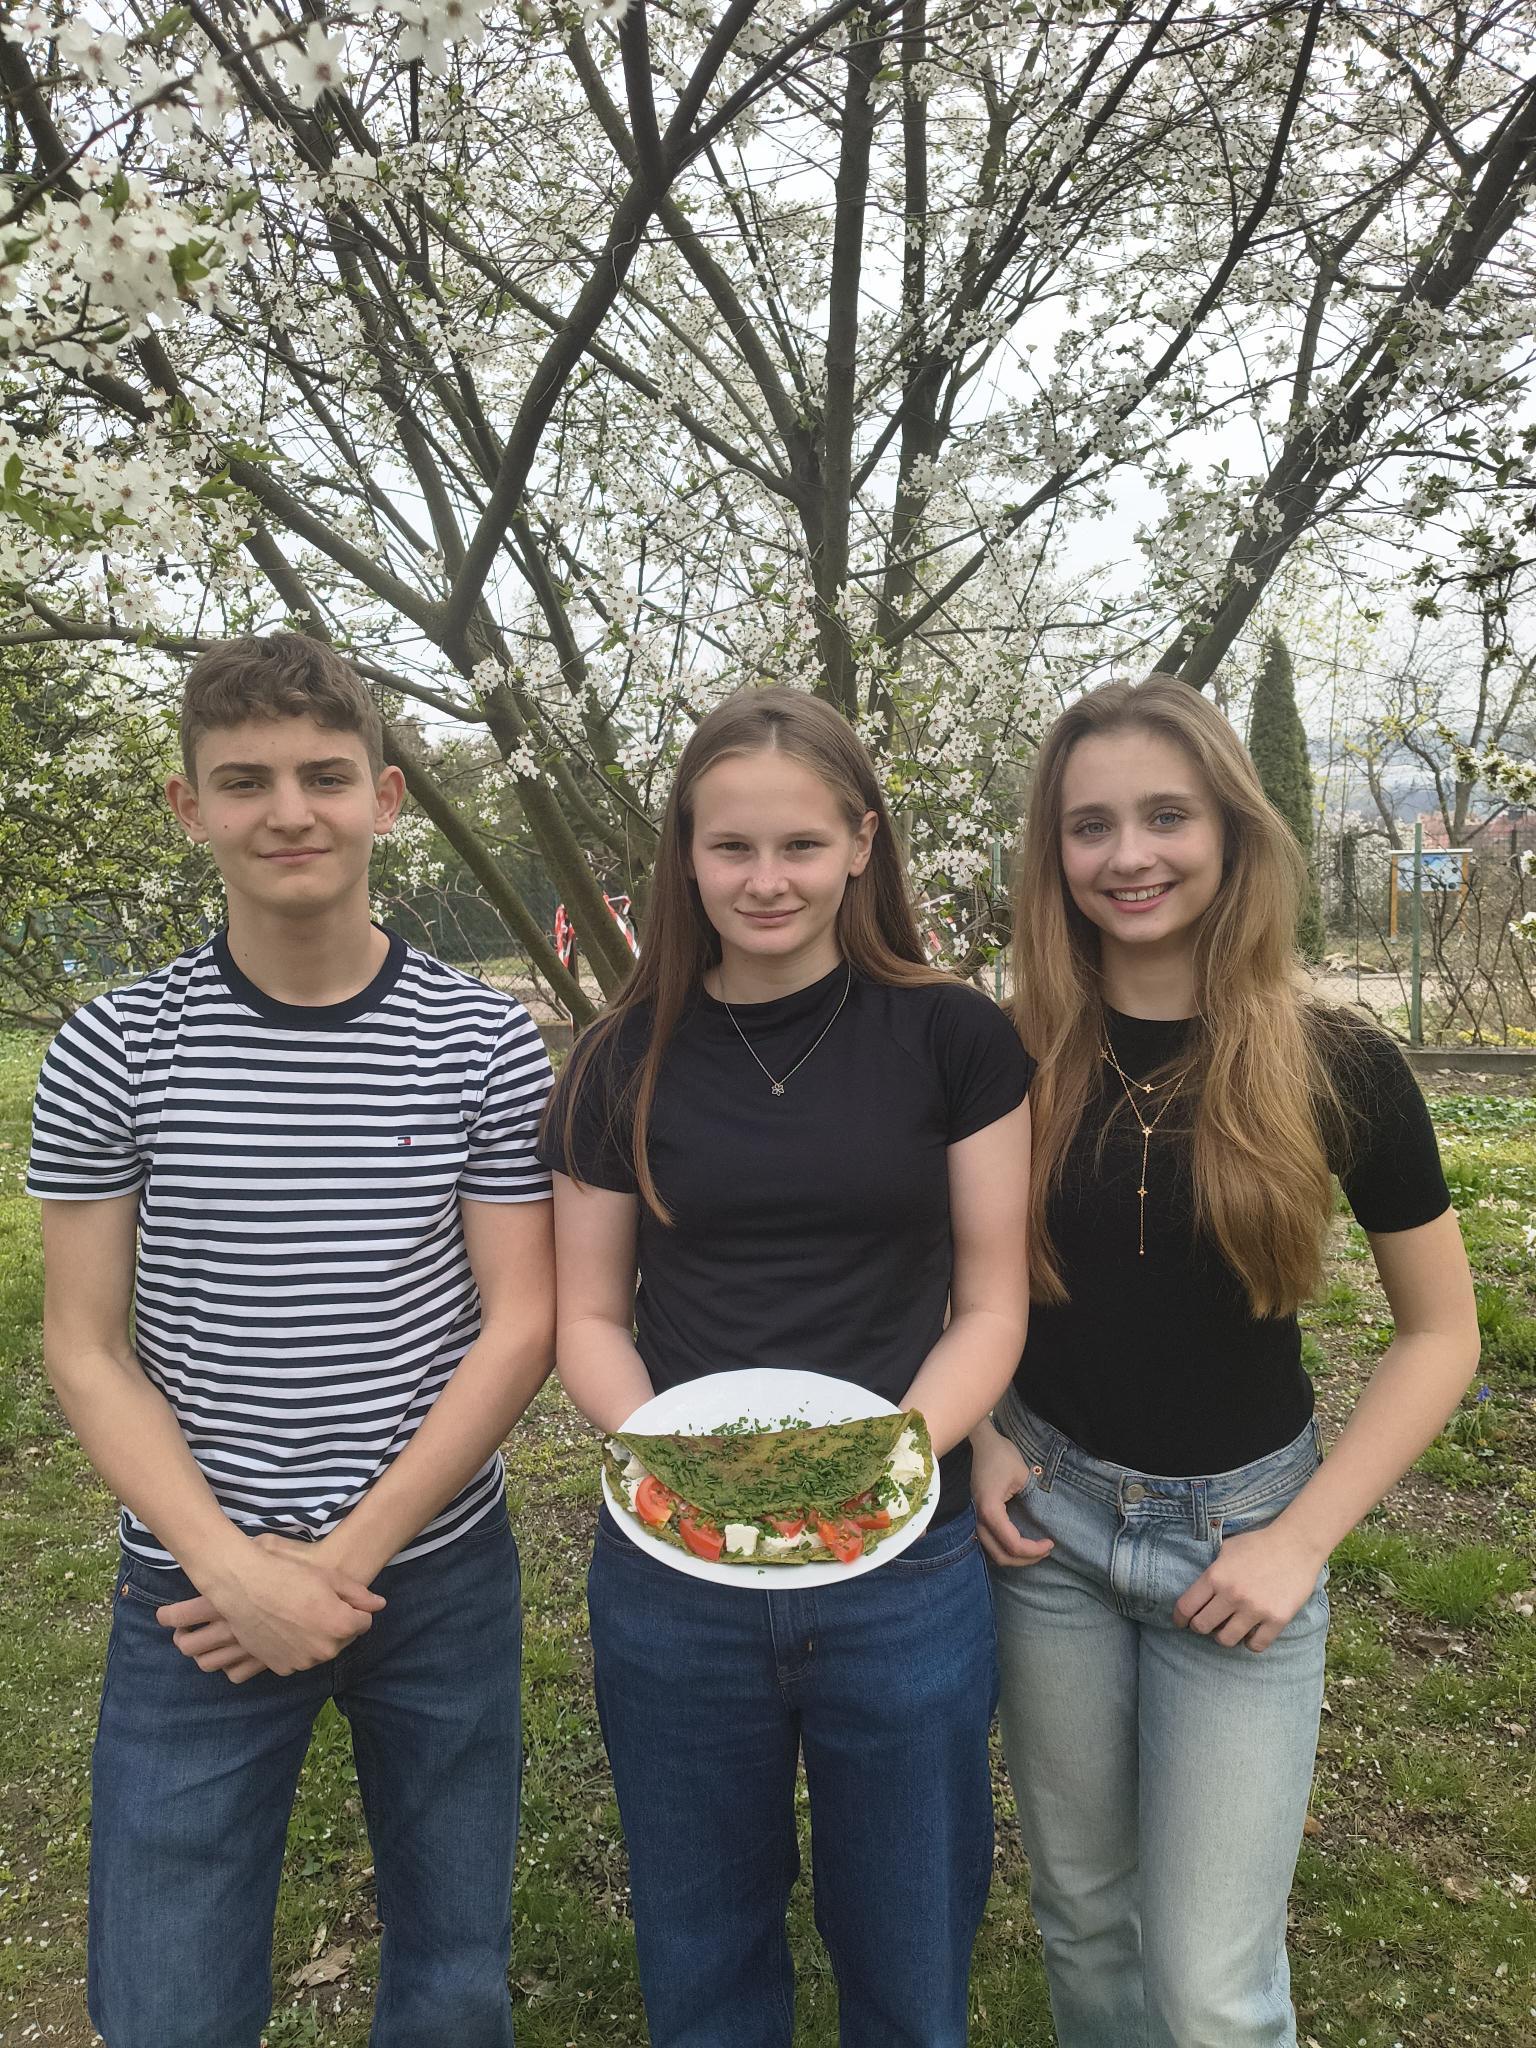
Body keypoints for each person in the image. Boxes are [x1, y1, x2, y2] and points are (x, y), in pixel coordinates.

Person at [27, 635, 555, 2048]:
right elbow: (85, 1347)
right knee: (168, 1998)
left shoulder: (484, 1043)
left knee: (453, 1975)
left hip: (432, 1575)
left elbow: (521, 1322)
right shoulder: (113, 1048)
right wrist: (230, 1566)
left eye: (325, 776)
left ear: (385, 797)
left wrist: (342, 1562)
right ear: (187, 807)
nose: (289, 812)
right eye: (244, 781)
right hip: (194, 1592)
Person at [971, 676, 1478, 2048]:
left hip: (1243, 1543)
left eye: (1166, 816)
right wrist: (982, 1435)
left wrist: (1300, 1541)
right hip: (1048, 1533)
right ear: (1053, 853)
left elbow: (1443, 1333)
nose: (1128, 855)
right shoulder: (1004, 1054)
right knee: (1085, 1919)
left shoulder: (1338, 1061)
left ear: (1233, 831)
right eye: (1090, 826)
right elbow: (946, 1274)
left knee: (1210, 1993)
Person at [539, 686, 1034, 2048]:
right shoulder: (619, 1060)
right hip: (677, 1568)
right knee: (702, 1953)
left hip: (904, 1563)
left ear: (862, 844)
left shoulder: (957, 1039)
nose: (767, 881)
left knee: (911, 1956)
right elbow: (588, 1317)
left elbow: (992, 1302)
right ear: (686, 856)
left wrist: (883, 1467)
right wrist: (691, 1477)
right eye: (732, 848)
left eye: (802, 845)